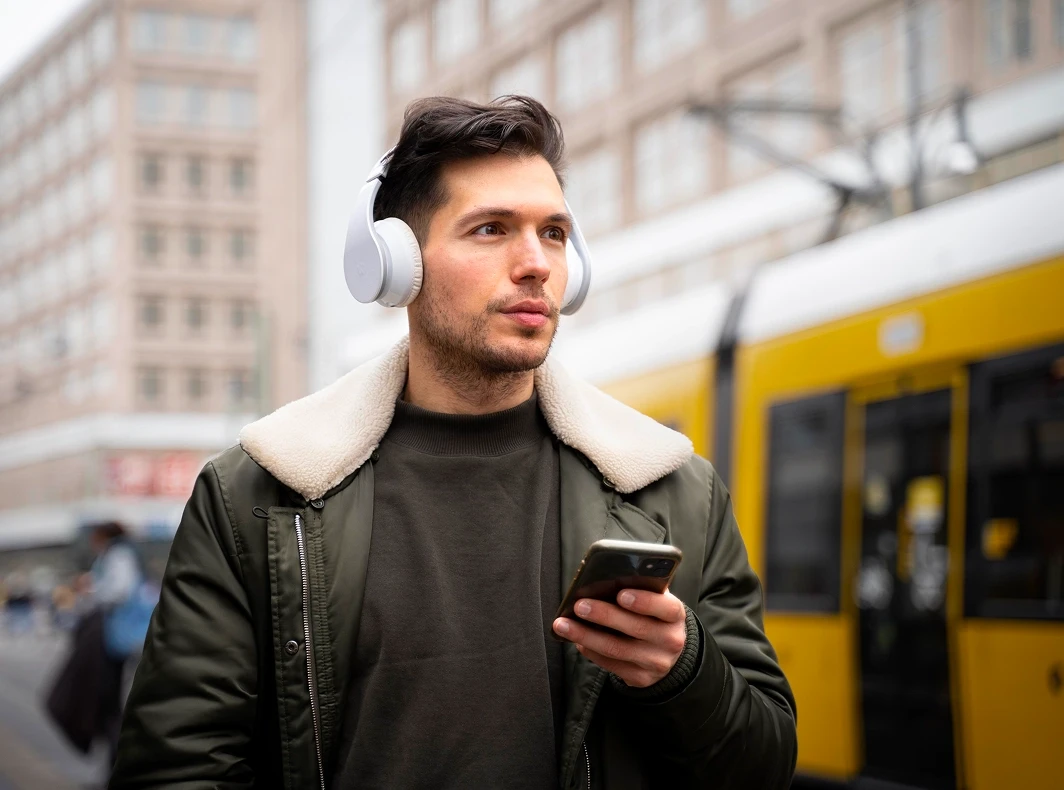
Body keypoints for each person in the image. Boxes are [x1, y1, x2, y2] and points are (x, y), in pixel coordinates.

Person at [111, 96, 796, 789]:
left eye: (554, 234)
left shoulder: (673, 488)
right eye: (492, 229)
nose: (535, 263)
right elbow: (175, 768)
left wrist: (683, 673)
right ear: (397, 265)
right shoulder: (257, 494)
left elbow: (764, 764)